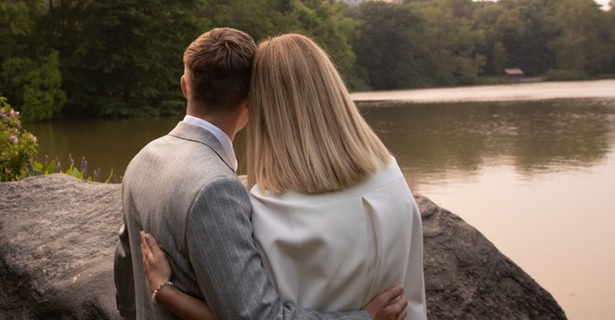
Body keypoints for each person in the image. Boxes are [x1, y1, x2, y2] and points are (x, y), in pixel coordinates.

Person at [114, 27, 408, 320]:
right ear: (252, 99)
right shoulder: (216, 188)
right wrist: (365, 318)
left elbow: (126, 284)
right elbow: (255, 316)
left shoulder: (142, 160)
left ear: (185, 86)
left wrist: (164, 292)